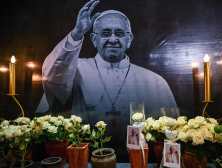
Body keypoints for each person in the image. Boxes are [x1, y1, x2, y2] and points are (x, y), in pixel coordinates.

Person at [36, 0, 177, 161]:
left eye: (119, 33)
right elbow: (52, 77)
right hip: (86, 159)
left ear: (129, 39)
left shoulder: (154, 82)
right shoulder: (76, 70)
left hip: (138, 160)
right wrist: (77, 33)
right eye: (105, 33)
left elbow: (170, 134)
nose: (112, 39)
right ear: (94, 39)